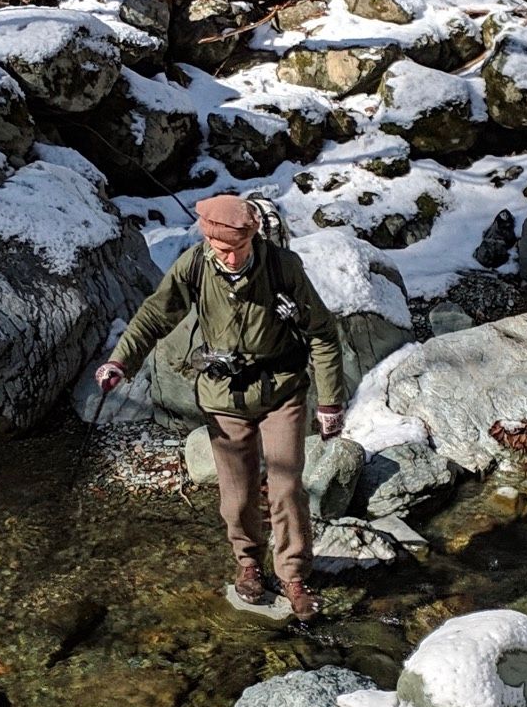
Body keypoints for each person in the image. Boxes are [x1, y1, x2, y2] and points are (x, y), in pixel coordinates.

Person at [96, 194, 345, 620]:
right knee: (237, 492)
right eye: (220, 249)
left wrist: (329, 402)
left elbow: (322, 332)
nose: (228, 257)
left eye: (236, 249)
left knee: (286, 487)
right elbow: (156, 315)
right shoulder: (194, 265)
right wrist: (121, 360)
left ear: (253, 238)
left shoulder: (283, 267)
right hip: (222, 395)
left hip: (281, 389)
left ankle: (293, 575)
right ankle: (248, 565)